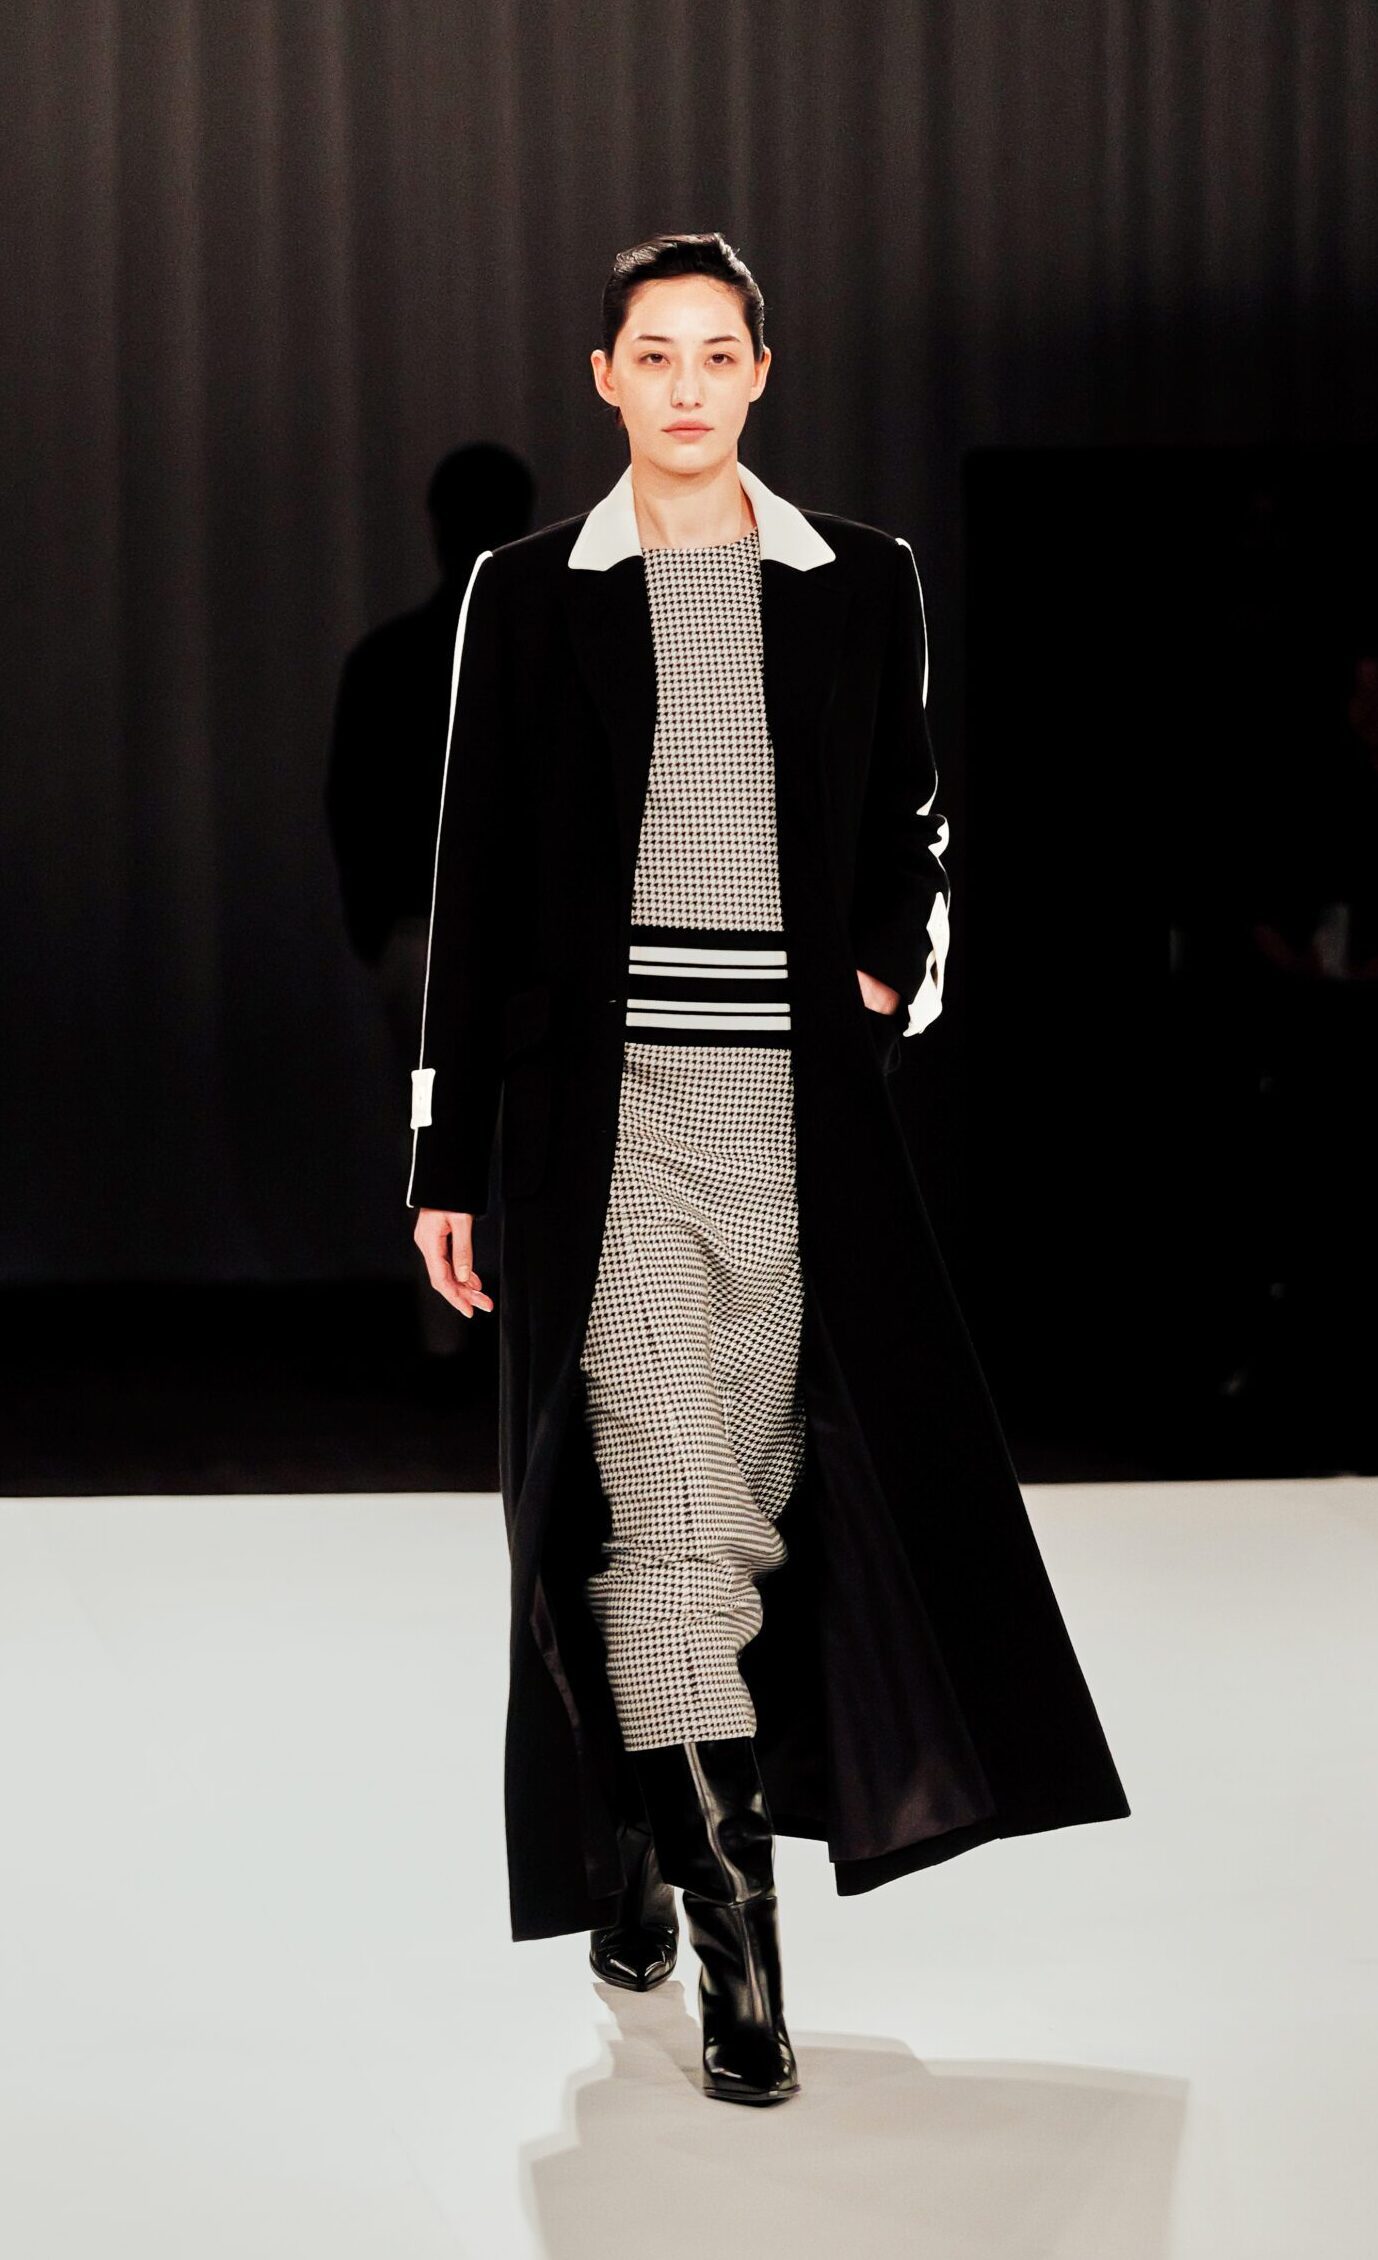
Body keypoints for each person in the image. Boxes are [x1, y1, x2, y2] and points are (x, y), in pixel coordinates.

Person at [407, 232, 1130, 2109]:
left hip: (798, 1121)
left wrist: (882, 972)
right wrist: (442, 1150)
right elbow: (472, 881)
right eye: (652, 353)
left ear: (759, 372)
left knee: (747, 1510)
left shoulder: (854, 580)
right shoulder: (528, 592)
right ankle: (745, 1967)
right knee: (663, 1513)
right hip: (606, 1123)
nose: (685, 384)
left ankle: (642, 1840)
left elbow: (912, 815)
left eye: (715, 353)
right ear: (603, 377)